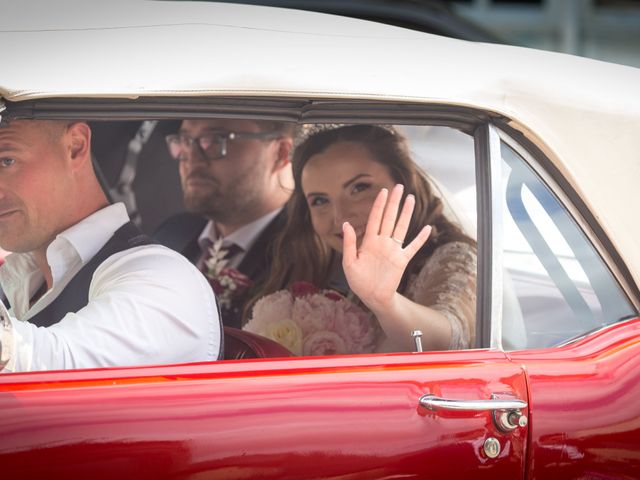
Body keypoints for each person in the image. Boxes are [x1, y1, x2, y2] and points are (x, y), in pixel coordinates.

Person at [0, 119, 221, 373]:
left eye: (7, 161)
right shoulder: (22, 275)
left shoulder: (164, 279)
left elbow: (58, 368)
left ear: (75, 147)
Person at [253, 124, 477, 353]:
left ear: (403, 182)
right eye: (320, 201)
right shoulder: (329, 268)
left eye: (359, 188)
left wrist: (386, 302)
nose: (340, 218)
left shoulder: (454, 256)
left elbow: (448, 339)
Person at [157, 118, 295, 328]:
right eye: (185, 141)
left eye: (214, 140)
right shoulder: (170, 235)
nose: (192, 159)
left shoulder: (309, 255)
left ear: (280, 153)